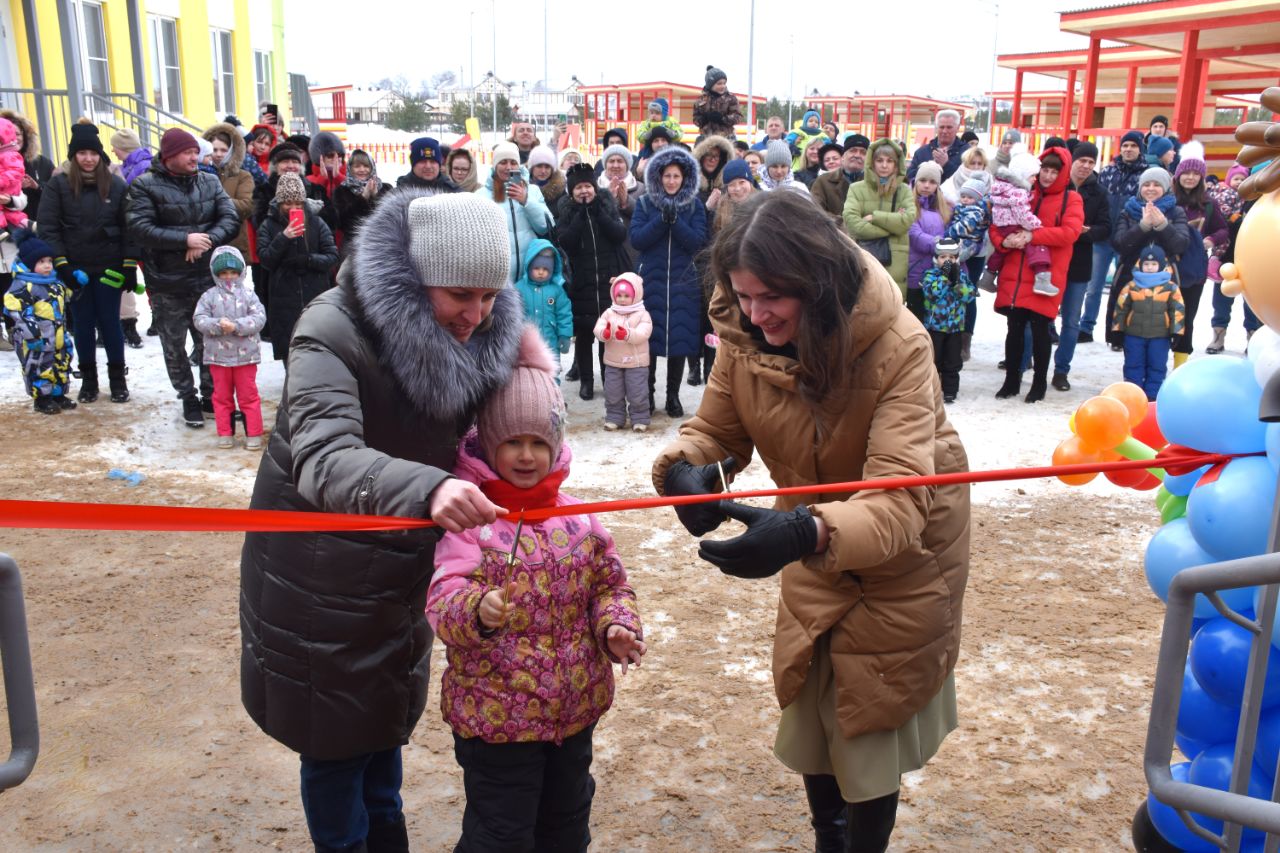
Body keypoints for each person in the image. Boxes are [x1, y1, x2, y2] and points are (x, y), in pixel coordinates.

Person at [653, 190, 969, 853]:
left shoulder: (900, 346)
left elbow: (902, 496)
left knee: (866, 718)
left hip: (902, 552)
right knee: (812, 706)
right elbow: (718, 426)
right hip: (813, 534)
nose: (755, 312)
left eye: (771, 296)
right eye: (742, 295)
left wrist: (805, 531)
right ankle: (830, 837)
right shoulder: (745, 334)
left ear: (816, 284)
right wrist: (690, 468)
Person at [239, 191, 527, 853]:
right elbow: (322, 455)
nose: (475, 315)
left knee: (378, 727)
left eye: (489, 298)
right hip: (323, 576)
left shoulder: (480, 329)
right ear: (417, 276)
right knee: (334, 744)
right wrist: (431, 489)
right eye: (460, 294)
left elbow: (500, 420)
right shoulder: (331, 328)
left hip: (400, 566)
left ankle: (386, 836)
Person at [426, 337, 644, 852]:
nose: (527, 455)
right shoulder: (470, 520)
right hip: (498, 721)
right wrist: (476, 609)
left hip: (574, 713)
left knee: (566, 829)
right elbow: (442, 597)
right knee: (500, 835)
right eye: (513, 441)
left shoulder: (577, 515)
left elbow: (610, 583)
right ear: (488, 442)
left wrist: (616, 625)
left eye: (539, 442)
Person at [127, 127, 239, 426]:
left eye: (195, 152)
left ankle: (210, 396)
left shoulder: (209, 181)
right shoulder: (144, 186)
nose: (195, 157)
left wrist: (204, 241)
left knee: (209, 342)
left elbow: (230, 218)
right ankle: (188, 397)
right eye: (188, 152)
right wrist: (183, 240)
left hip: (206, 280)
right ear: (170, 156)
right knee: (174, 346)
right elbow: (139, 228)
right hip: (167, 282)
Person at [40, 122, 139, 404]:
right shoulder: (58, 185)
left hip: (109, 267)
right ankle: (89, 380)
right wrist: (62, 264)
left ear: (101, 156)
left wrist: (129, 264)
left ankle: (118, 379)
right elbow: (48, 226)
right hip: (76, 268)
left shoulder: (116, 184)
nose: (88, 158)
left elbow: (130, 225)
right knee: (82, 325)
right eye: (82, 153)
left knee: (110, 323)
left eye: (93, 153)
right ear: (74, 156)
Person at [991, 144, 1084, 403]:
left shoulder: (1071, 199)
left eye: (1055, 171)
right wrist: (1004, 242)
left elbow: (1070, 233)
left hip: (1046, 271)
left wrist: (1034, 234)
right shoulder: (1021, 192)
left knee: (1041, 329)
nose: (1048, 176)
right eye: (1045, 169)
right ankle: (1011, 379)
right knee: (1014, 327)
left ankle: (1039, 383)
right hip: (1015, 270)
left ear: (1063, 174)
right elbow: (997, 223)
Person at [629, 145, 708, 418]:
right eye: (667, 176)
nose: (671, 181)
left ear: (684, 178)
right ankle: (648, 395)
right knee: (648, 340)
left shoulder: (695, 205)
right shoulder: (644, 204)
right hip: (651, 279)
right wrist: (662, 221)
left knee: (680, 339)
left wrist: (677, 223)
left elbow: (697, 242)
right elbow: (638, 239)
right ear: (659, 178)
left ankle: (672, 396)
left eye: (676, 176)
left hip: (682, 281)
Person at [558, 162, 629, 402]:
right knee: (586, 336)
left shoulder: (606, 205)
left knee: (606, 336)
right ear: (571, 191)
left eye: (588, 185)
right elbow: (566, 241)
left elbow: (619, 235)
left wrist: (598, 212)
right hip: (582, 283)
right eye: (578, 188)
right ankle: (586, 382)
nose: (584, 191)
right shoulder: (567, 210)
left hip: (607, 282)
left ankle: (608, 379)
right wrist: (581, 215)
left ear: (595, 188)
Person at [1105, 166, 1190, 352]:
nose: (1150, 188)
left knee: (1159, 336)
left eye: (1157, 185)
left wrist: (1163, 226)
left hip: (1164, 283)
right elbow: (1119, 244)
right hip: (1131, 279)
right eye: (1146, 184)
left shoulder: (1176, 212)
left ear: (1166, 188)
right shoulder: (1128, 211)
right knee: (1130, 333)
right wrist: (1142, 226)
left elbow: (1181, 245)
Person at [256, 172, 339, 363]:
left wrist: (308, 259)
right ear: (279, 203)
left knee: (319, 349)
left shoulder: (317, 223)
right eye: (287, 203)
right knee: (291, 351)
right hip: (284, 297)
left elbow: (332, 256)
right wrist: (284, 237)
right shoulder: (268, 226)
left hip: (315, 293)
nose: (293, 208)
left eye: (298, 203)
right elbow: (266, 260)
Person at [1051, 140, 1112, 392]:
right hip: (1052, 260)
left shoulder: (1099, 192)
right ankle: (1028, 362)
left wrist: (1083, 232)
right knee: (1042, 318)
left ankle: (1061, 370)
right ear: (1072, 161)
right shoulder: (1056, 186)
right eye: (1082, 161)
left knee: (1072, 321)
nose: (1086, 166)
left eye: (1091, 162)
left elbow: (1105, 228)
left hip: (1080, 261)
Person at [192, 246, 266, 449]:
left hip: (246, 357)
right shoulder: (209, 296)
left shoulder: (249, 295)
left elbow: (259, 318)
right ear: (216, 274)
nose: (229, 277)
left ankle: (254, 433)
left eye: (233, 272)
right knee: (221, 397)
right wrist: (217, 326)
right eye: (224, 273)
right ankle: (225, 432)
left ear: (241, 272)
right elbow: (199, 319)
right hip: (218, 357)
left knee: (248, 396)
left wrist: (237, 326)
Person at [1084, 130, 1148, 343]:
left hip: (1128, 240)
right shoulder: (1108, 172)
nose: (1128, 150)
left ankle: (1118, 331)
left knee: (1124, 289)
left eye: (1133, 146)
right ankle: (1086, 327)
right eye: (1125, 146)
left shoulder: (1145, 175)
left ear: (1140, 149)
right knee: (1093, 287)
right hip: (1103, 238)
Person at [1169, 142, 1227, 368]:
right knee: (1162, 316)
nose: (1190, 177)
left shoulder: (1209, 204)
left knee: (1186, 317)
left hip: (1193, 269)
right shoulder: (1168, 200)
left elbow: (1223, 229)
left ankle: (1179, 365)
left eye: (1195, 173)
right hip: (1166, 267)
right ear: (1178, 175)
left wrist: (1209, 241)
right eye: (1186, 173)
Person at [3, 238, 77, 413]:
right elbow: (20, 313)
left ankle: (58, 394)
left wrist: (76, 284)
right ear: (29, 264)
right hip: (36, 339)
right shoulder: (22, 286)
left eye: (50, 261)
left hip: (58, 336)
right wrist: (33, 335)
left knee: (61, 364)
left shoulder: (54, 283)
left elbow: (68, 297)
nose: (47, 266)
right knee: (39, 367)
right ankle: (42, 399)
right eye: (41, 262)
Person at [843, 139, 916, 295]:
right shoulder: (856, 189)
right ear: (872, 162)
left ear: (897, 165)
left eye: (890, 161)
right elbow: (853, 223)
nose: (884, 165)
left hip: (895, 263)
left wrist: (875, 217)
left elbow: (907, 221)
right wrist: (892, 227)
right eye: (879, 160)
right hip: (864, 258)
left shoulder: (904, 190)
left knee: (892, 309)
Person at [980, 150, 1058, 297]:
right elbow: (1022, 214)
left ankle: (987, 277)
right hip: (1013, 224)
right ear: (1023, 175)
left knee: (1000, 253)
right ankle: (1042, 279)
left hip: (1002, 225)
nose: (1035, 179)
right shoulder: (1018, 192)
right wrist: (1036, 225)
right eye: (1032, 175)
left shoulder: (1003, 187)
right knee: (1037, 247)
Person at [1113, 244, 1184, 400]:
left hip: (1160, 336)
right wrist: (1117, 330)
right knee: (1133, 364)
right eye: (1146, 264)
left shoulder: (1171, 287)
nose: (1150, 267)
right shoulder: (1131, 286)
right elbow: (1121, 308)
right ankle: (1133, 395)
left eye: (1153, 264)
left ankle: (1153, 396)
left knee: (1157, 366)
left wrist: (1176, 331)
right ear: (1140, 265)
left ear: (1161, 265)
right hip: (1134, 335)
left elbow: (1177, 310)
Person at [477, 142, 554, 283]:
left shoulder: (533, 191)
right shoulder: (481, 195)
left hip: (531, 273)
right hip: (498, 275)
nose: (508, 167)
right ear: (495, 166)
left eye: (513, 162)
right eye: (503, 162)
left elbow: (545, 226)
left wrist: (526, 201)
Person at [1207, 164, 1257, 353]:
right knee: (1221, 298)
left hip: (1251, 257)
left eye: (1243, 179)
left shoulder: (1257, 201)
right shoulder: (1223, 198)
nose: (1240, 183)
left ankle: (1252, 335)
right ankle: (1218, 335)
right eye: (1236, 179)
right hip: (1226, 256)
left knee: (1252, 300)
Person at [594, 272, 653, 431]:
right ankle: (614, 417)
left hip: (636, 363)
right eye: (618, 295)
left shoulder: (642, 314)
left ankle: (640, 418)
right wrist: (604, 333)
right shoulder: (609, 312)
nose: (621, 299)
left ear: (635, 295)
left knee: (637, 392)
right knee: (613, 392)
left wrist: (628, 334)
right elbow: (598, 327)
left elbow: (643, 333)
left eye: (626, 295)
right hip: (613, 362)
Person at [922, 237, 975, 403]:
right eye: (943, 257)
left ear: (957, 259)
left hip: (955, 328)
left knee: (953, 361)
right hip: (935, 327)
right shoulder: (930, 275)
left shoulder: (962, 276)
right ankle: (931, 389)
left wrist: (956, 281)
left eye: (951, 258)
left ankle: (951, 390)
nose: (947, 261)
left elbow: (969, 296)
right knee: (934, 361)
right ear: (936, 259)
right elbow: (932, 294)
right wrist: (945, 278)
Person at [514, 240, 572, 376]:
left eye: (546, 269)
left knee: (552, 371)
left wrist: (565, 335)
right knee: (527, 373)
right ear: (529, 267)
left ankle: (553, 395)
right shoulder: (519, 288)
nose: (541, 272)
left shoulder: (557, 290)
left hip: (550, 340)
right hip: (525, 343)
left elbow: (564, 313)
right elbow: (513, 315)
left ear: (552, 270)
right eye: (537, 268)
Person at [202, 122, 255, 269]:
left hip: (233, 242)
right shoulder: (199, 174)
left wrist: (216, 201)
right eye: (214, 150)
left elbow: (246, 206)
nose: (218, 154)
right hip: (205, 242)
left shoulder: (243, 176)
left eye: (224, 150)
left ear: (232, 151)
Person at [907, 161, 951, 321]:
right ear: (916, 181)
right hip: (915, 271)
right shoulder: (907, 204)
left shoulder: (944, 208)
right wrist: (941, 244)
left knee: (934, 319)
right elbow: (914, 234)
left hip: (937, 273)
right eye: (923, 180)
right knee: (915, 316)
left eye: (932, 182)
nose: (927, 185)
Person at [332, 148, 390, 254]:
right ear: (350, 168)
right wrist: (363, 198)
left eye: (366, 166)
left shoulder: (385, 188)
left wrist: (375, 197)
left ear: (372, 168)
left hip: (382, 244)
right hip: (353, 246)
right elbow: (343, 222)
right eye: (357, 166)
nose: (362, 170)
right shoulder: (341, 190)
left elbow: (390, 218)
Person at [811, 142, 864, 222]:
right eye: (853, 151)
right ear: (843, 157)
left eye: (835, 158)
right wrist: (839, 222)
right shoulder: (821, 181)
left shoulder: (874, 181)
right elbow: (815, 209)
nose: (857, 155)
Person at [906, 109, 964, 182]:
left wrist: (946, 165)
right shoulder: (921, 152)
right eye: (941, 127)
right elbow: (910, 177)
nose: (944, 131)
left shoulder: (967, 153)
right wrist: (929, 167)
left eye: (949, 127)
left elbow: (966, 181)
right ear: (936, 128)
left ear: (958, 128)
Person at [0, 117, 32, 243]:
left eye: (19, 133)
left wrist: (10, 201)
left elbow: (22, 200)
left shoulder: (10, 156)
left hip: (9, 196)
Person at [693, 65, 742, 140]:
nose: (723, 86)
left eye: (724, 83)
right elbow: (695, 119)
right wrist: (705, 118)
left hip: (727, 138)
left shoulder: (731, 98)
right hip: (706, 138)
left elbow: (737, 117)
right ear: (710, 85)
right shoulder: (700, 100)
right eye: (719, 83)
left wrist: (722, 118)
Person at [693, 135, 733, 207]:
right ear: (700, 157)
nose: (712, 160)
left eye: (716, 156)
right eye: (708, 155)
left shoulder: (728, 184)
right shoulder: (690, 185)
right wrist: (707, 207)